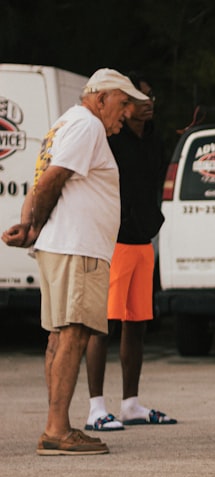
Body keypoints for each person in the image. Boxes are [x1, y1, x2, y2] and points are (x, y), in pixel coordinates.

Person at [2, 68, 148, 455]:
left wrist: (31, 226)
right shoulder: (87, 126)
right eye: (123, 103)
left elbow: (40, 182)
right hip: (76, 247)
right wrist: (32, 228)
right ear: (100, 98)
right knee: (74, 332)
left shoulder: (64, 124)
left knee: (59, 334)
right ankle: (57, 429)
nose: (127, 113)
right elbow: (52, 179)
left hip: (62, 245)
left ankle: (57, 425)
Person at [85, 72, 176, 431]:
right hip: (116, 240)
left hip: (143, 242)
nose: (149, 103)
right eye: (141, 97)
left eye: (152, 97)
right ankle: (95, 408)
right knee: (101, 325)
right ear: (126, 101)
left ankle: (131, 404)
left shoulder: (154, 140)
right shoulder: (111, 138)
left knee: (136, 324)